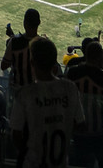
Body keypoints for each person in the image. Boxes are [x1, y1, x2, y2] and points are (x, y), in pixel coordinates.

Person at [10, 36, 81, 168]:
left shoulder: (25, 94)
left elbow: (16, 135)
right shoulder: (70, 88)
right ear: (54, 62)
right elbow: (78, 123)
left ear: (32, 62)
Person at [5, 7, 43, 88]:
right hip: (38, 92)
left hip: (19, 92)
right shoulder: (44, 43)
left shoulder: (14, 42)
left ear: (24, 23)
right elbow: (54, 69)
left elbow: (4, 65)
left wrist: (12, 38)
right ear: (39, 22)